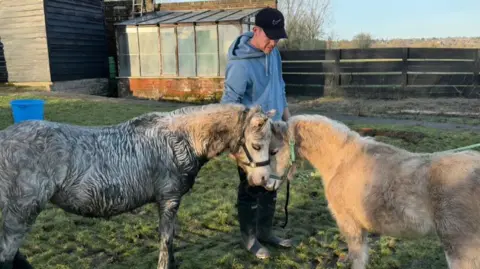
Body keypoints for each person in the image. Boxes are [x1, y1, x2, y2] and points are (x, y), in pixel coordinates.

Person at [220, 7, 292, 259]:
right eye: (269, 37)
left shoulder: (274, 54)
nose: (273, 43)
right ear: (256, 30)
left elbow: (280, 87)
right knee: (252, 186)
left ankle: (265, 232)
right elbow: (229, 104)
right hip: (252, 139)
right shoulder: (240, 66)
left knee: (272, 182)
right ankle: (249, 239)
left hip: (276, 131)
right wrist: (233, 145)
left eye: (277, 38)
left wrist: (288, 122)